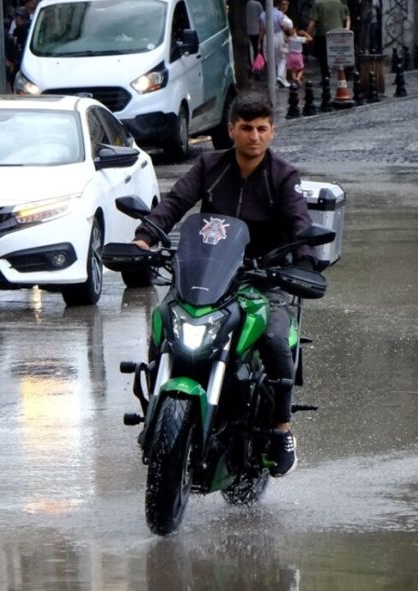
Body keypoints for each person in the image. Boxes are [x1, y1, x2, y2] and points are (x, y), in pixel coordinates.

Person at [130, 95, 314, 477]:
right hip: (206, 277)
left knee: (277, 339)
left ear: (272, 131)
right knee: (164, 319)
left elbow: (301, 225)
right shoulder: (209, 166)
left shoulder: (283, 175)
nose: (254, 136)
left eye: (262, 128)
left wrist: (305, 263)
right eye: (246, 128)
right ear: (231, 129)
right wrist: (145, 236)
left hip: (262, 280)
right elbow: (175, 202)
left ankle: (281, 428)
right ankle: (155, 407)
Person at [306, 0, 350, 81]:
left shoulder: (318, 4)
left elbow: (312, 22)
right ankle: (343, 77)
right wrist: (346, 28)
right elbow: (345, 18)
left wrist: (307, 34)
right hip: (338, 34)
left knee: (324, 58)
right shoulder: (339, 3)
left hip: (323, 34)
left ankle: (325, 77)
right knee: (340, 55)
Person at [246, 0, 264, 73]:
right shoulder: (257, 4)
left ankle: (250, 67)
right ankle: (256, 68)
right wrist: (262, 31)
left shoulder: (243, 5)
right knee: (256, 50)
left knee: (247, 51)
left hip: (245, 31)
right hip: (255, 31)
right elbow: (261, 19)